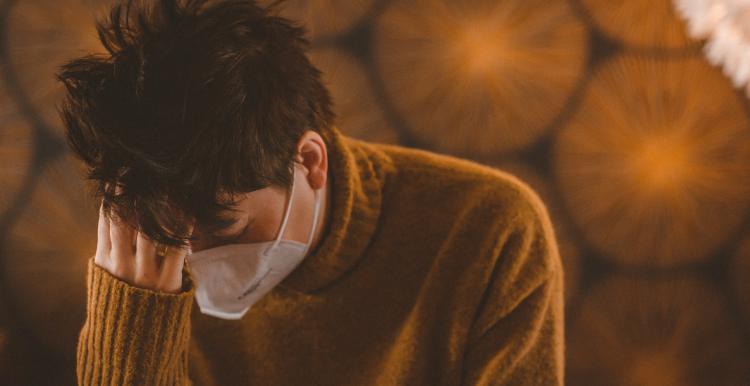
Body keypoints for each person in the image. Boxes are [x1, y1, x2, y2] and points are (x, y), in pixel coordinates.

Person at [56, 0, 565, 385]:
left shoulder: (493, 231)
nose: (190, 262)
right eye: (171, 236)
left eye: (222, 227)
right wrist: (131, 328)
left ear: (309, 162)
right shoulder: (143, 263)